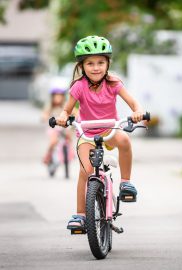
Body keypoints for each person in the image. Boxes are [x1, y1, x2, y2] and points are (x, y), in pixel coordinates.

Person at [56, 35, 144, 229]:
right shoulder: (79, 86)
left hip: (110, 129)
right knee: (86, 171)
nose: (96, 67)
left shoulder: (113, 83)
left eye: (100, 62)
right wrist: (63, 116)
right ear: (82, 67)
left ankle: (126, 183)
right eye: (90, 63)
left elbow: (133, 102)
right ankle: (80, 214)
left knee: (125, 141)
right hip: (86, 133)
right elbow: (67, 109)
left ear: (107, 63)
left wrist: (137, 111)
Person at [42, 87, 74, 167]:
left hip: (64, 127)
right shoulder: (50, 107)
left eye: (60, 96)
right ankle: (48, 155)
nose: (58, 98)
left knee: (69, 136)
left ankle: (71, 152)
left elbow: (74, 112)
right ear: (52, 97)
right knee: (54, 141)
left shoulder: (65, 107)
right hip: (53, 128)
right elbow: (45, 114)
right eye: (56, 96)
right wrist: (45, 117)